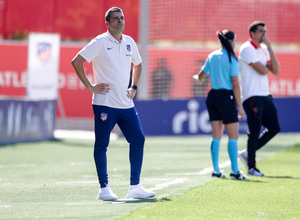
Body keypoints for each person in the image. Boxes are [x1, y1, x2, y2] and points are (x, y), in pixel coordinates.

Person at [71, 7, 155, 201]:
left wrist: (134, 86)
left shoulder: (129, 42)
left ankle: (135, 186)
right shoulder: (99, 42)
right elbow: (77, 62)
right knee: (102, 144)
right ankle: (104, 189)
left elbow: (138, 64)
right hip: (105, 103)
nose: (120, 20)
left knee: (138, 140)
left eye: (122, 18)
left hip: (126, 104)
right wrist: (90, 87)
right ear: (107, 23)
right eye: (115, 18)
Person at [195, 30, 247, 180]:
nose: (236, 43)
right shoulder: (232, 59)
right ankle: (235, 171)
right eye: (235, 40)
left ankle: (216, 170)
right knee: (233, 136)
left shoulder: (212, 56)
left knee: (216, 135)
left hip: (213, 96)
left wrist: (197, 78)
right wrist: (240, 106)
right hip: (226, 96)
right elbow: (235, 84)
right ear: (230, 41)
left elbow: (200, 76)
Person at [238, 21, 280, 176]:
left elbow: (275, 70)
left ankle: (247, 154)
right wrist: (266, 63)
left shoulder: (264, 49)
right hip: (252, 96)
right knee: (254, 131)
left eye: (265, 31)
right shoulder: (247, 48)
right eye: (261, 31)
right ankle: (251, 167)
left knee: (275, 128)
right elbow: (263, 70)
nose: (264, 34)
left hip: (265, 95)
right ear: (252, 33)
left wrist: (269, 47)